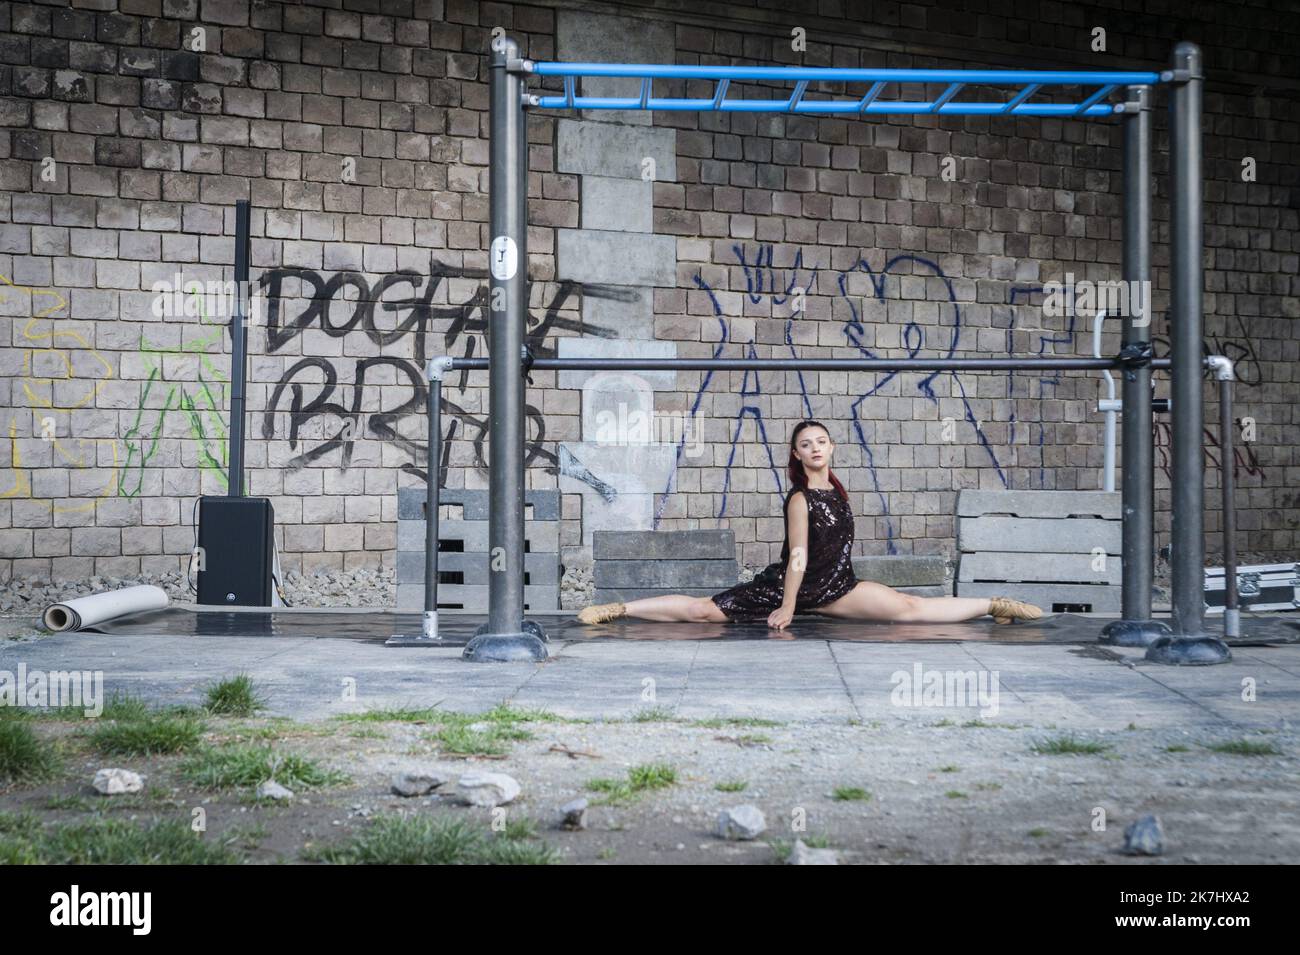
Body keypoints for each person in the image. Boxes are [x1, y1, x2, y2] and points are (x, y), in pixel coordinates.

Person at [576, 420, 1043, 628]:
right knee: (704, 610)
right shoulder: (799, 497)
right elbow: (797, 556)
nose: (815, 448)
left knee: (907, 607)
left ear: (832, 448)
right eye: (806, 443)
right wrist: (787, 606)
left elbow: (833, 555)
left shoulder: (838, 493)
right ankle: (621, 609)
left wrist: (813, 600)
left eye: (822, 441)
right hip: (790, 587)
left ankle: (994, 605)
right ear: (796, 454)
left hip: (837, 587)